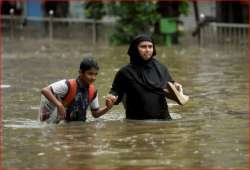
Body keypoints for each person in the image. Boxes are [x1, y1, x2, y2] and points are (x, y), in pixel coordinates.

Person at [106, 34, 183, 120]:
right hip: (137, 124)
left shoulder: (161, 68)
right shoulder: (125, 72)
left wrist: (177, 87)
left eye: (150, 47)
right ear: (135, 49)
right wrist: (111, 98)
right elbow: (115, 92)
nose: (147, 50)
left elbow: (170, 86)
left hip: (163, 122)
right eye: (143, 47)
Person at [39, 57, 115, 123]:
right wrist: (59, 105)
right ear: (80, 72)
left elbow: (95, 114)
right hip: (55, 124)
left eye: (95, 74)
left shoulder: (93, 92)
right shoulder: (67, 85)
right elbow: (45, 90)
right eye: (90, 74)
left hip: (74, 127)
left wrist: (107, 108)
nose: (93, 78)